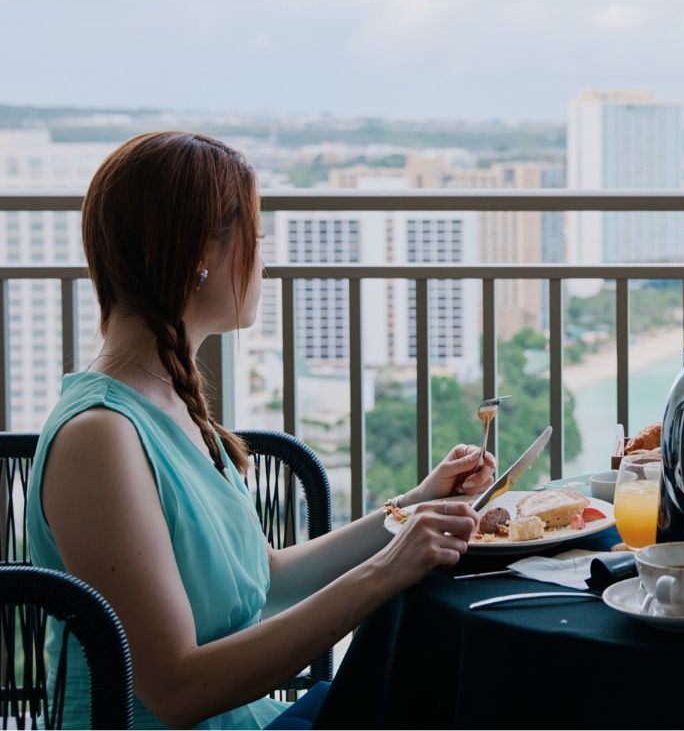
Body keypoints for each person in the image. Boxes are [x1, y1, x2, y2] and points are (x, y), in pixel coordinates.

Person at [26, 131, 495, 729]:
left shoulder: (166, 399)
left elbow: (266, 580)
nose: (264, 262)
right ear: (200, 251)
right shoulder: (100, 438)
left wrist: (414, 506)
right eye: (255, 239)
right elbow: (176, 690)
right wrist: (386, 572)